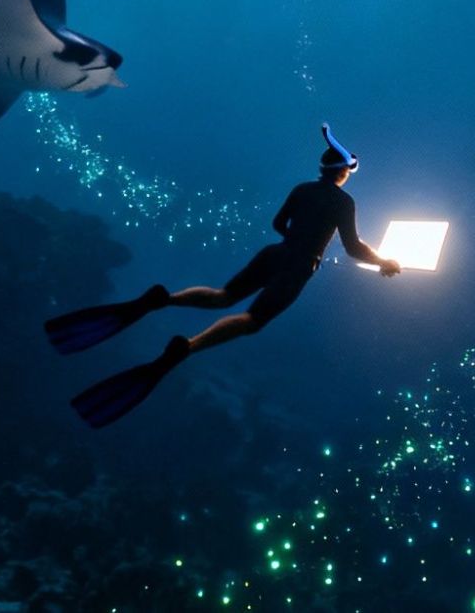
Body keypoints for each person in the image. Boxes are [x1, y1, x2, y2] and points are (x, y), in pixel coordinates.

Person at [47, 123, 401, 428]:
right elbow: (353, 248)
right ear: (342, 172)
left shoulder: (301, 189)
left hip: (276, 253)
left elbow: (277, 224)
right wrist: (383, 261)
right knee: (251, 319)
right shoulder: (344, 203)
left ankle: (164, 299)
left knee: (223, 295)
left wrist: (294, 239)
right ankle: (188, 347)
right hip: (298, 266)